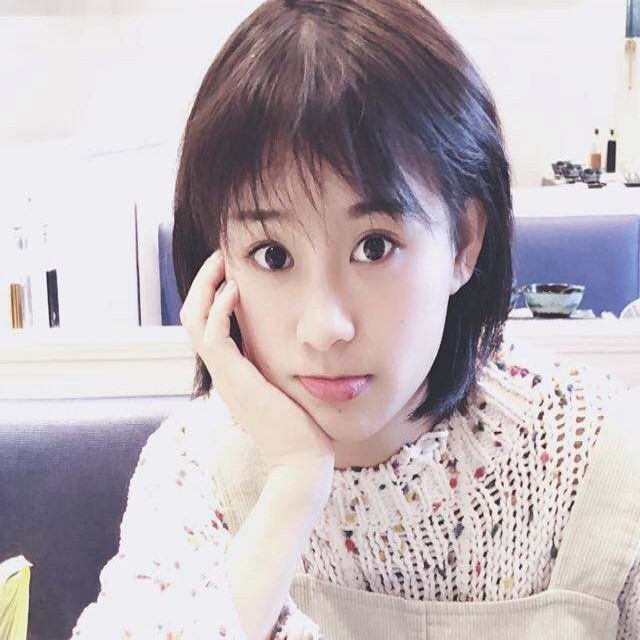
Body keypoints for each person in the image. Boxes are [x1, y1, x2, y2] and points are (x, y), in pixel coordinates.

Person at [70, 1, 640, 638]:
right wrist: (293, 485)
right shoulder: (196, 469)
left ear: (463, 242)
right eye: (272, 255)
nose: (324, 327)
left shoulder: (601, 461)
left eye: (375, 246)